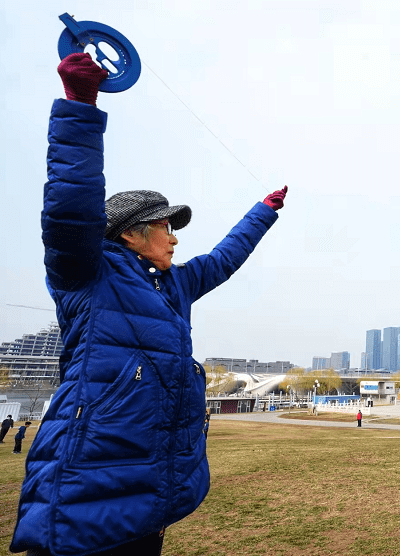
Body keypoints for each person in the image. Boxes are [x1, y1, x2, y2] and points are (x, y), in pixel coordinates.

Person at [10, 53, 288, 556]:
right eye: (165, 227)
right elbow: (70, 209)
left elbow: (224, 258)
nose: (175, 240)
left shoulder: (174, 285)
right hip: (83, 496)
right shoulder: (87, 273)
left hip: (146, 496)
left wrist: (263, 213)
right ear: (132, 235)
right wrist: (80, 106)